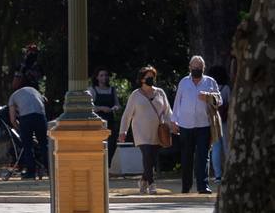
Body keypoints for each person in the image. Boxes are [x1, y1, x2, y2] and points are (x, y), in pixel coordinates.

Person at [172, 55, 222, 194]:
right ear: (190, 67)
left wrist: (208, 96)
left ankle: (203, 186)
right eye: (194, 67)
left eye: (199, 67)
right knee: (186, 157)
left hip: (204, 125)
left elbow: (219, 101)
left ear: (203, 68)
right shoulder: (183, 82)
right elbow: (177, 102)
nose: (196, 69)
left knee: (203, 156)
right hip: (185, 125)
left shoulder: (210, 82)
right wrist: (174, 120)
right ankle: (186, 187)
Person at [120, 66, 172, 194]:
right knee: (147, 154)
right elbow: (127, 114)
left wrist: (172, 124)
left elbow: (167, 111)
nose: (151, 79)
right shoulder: (135, 95)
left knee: (151, 159)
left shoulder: (160, 92)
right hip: (141, 132)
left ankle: (143, 180)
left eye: (152, 77)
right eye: (148, 77)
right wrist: (123, 131)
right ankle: (151, 183)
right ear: (142, 79)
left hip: (157, 132)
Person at [7, 74, 48, 180]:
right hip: (40, 117)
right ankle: (49, 169)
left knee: (27, 146)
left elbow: (12, 119)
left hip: (26, 119)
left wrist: (19, 129)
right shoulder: (35, 91)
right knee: (44, 144)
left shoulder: (14, 96)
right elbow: (44, 102)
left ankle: (31, 172)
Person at [90, 68, 122, 164]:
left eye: (106, 75)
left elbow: (117, 104)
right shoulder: (92, 90)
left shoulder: (112, 90)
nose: (104, 77)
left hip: (110, 121)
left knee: (112, 144)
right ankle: (98, 164)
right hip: (97, 121)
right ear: (97, 77)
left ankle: (107, 165)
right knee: (98, 144)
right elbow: (89, 107)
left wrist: (116, 108)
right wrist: (101, 108)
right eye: (101, 75)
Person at [209, 66, 231, 184]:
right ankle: (228, 173)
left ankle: (218, 176)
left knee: (216, 149)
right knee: (227, 147)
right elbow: (231, 103)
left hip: (213, 121)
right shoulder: (226, 88)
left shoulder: (210, 89)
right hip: (226, 121)